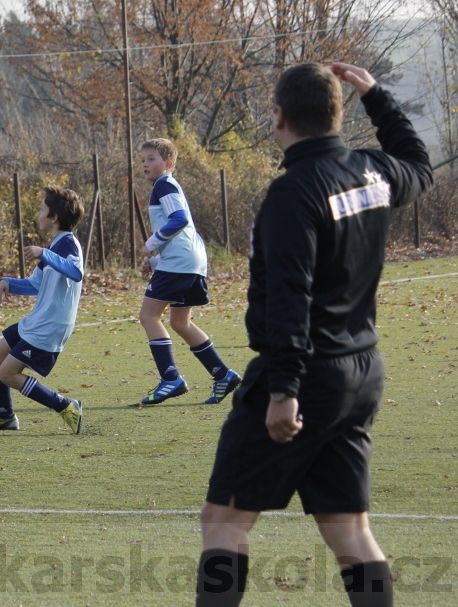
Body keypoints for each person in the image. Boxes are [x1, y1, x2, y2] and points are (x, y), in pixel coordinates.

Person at [196, 62, 432, 607]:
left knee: (224, 522)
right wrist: (376, 96)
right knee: (348, 528)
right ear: (337, 114)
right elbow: (418, 165)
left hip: (307, 376)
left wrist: (283, 391)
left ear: (278, 117)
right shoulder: (374, 171)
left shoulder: (292, 194)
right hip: (361, 371)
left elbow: (289, 300)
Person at [136, 137, 241, 405]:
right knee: (179, 322)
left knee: (149, 316)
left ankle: (171, 378)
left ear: (168, 163)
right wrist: (157, 262)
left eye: (151, 159)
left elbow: (179, 219)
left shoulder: (163, 184)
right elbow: (181, 228)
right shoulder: (167, 185)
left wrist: (151, 244)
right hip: (190, 260)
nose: (145, 164)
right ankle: (223, 374)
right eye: (143, 160)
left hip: (181, 263)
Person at [0, 187, 86, 434]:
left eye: (42, 209)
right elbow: (35, 284)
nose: (38, 214)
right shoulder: (55, 246)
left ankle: (66, 405)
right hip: (38, 320)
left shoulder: (68, 244)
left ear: (53, 217)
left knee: (7, 372)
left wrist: (44, 253)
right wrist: (8, 282)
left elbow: (76, 272)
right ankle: (5, 416)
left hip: (50, 326)